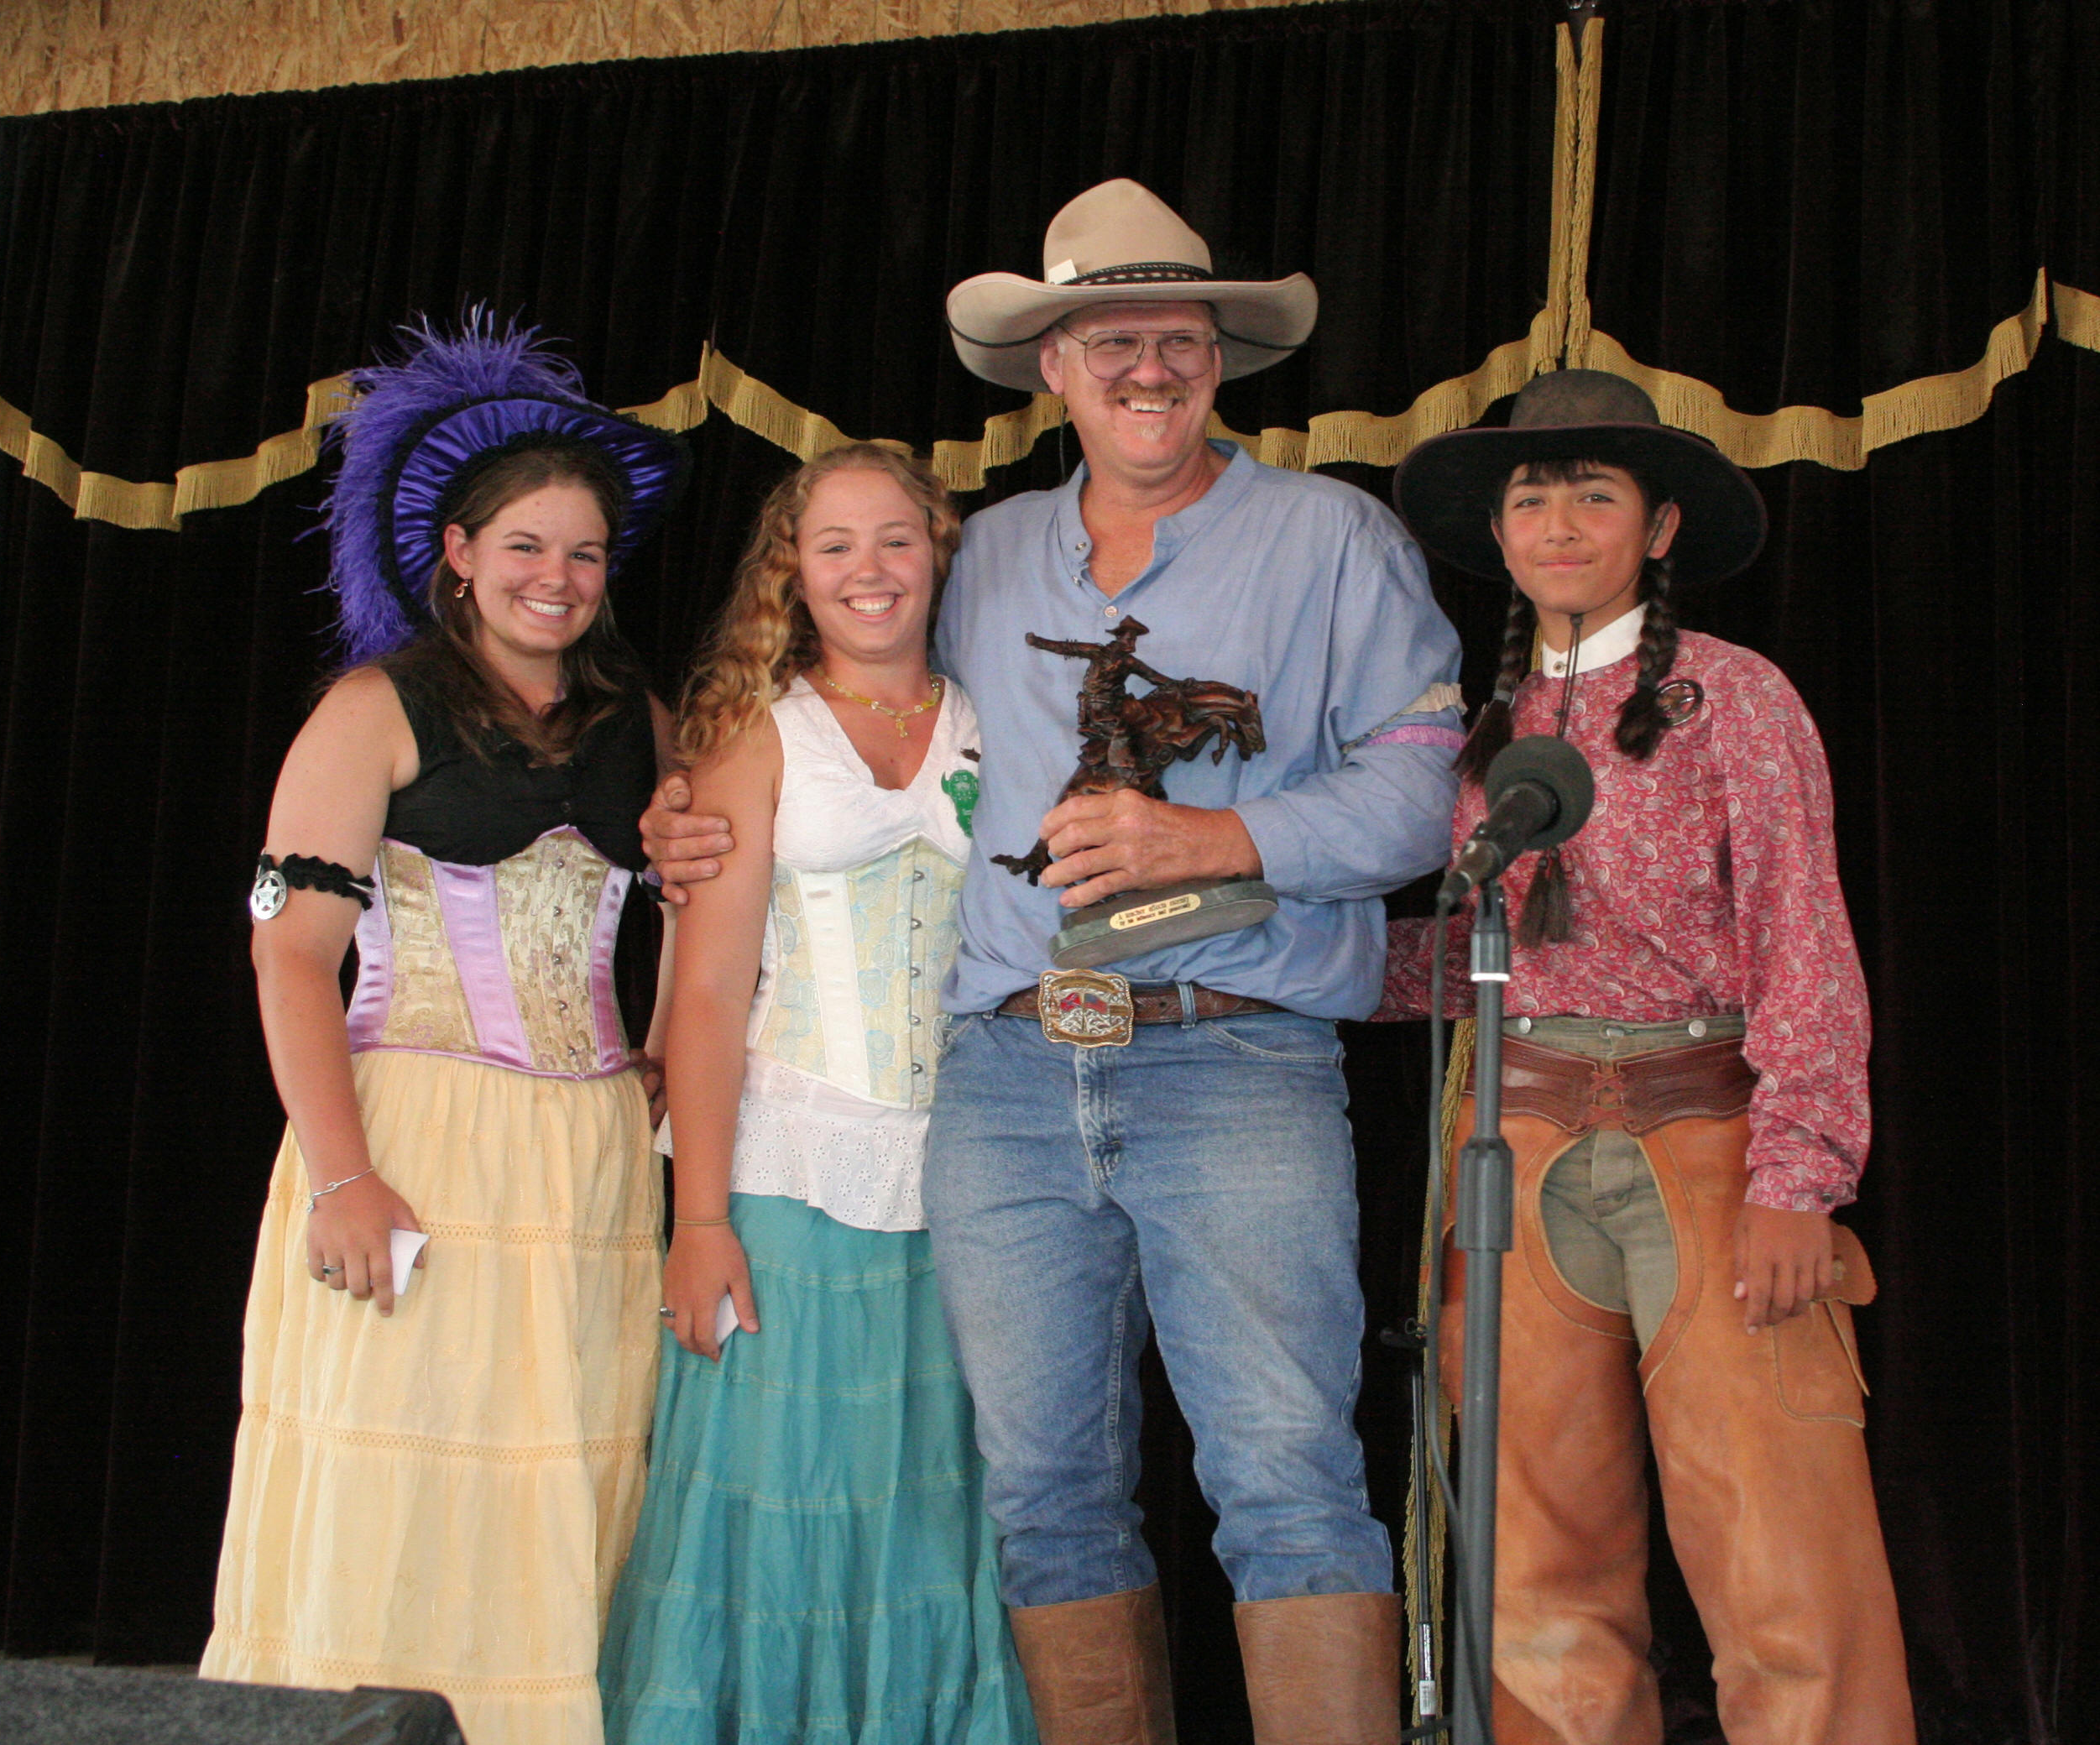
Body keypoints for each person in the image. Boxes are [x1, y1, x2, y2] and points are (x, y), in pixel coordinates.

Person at [644, 180, 1465, 1743]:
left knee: (1286, 1476)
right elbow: (842, 684)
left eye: (1176, 340)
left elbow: (1422, 800)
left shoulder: (1331, 539)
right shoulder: (991, 555)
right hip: (1008, 1076)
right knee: (1042, 1496)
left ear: (1219, 359)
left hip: (1234, 1056)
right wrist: (694, 800)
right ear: (1053, 371)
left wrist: (1210, 839)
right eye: (1109, 343)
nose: (1145, 369)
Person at [1377, 368, 1915, 1742]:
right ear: (1497, 532)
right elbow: (1479, 955)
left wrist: (1796, 1178)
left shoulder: (1729, 697)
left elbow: (1800, 934)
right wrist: (1271, 957)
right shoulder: (1479, 728)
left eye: (1593, 494)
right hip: (1520, 1132)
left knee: (1780, 1555)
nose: (1558, 523)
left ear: (1657, 527)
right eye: (1530, 497)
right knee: (1535, 1569)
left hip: (1702, 1133)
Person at [200, 321, 689, 1745]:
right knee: (394, 1477)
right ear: (461, 552)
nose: (559, 577)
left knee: (556, 1482)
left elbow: (710, 899)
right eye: (527, 546)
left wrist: (661, 1052)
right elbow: (291, 956)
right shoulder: (375, 708)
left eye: (586, 553)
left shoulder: (639, 717)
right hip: (412, 1140)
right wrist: (345, 1177)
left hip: (588, 1157)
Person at [596, 444, 1036, 1744]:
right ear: (792, 570)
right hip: (789, 1176)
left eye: (894, 538)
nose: (868, 569)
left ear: (938, 551)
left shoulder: (994, 717)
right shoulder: (758, 734)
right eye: (833, 544)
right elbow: (707, 996)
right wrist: (698, 1221)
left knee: (935, 1505)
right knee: (781, 1488)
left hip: (970, 1176)